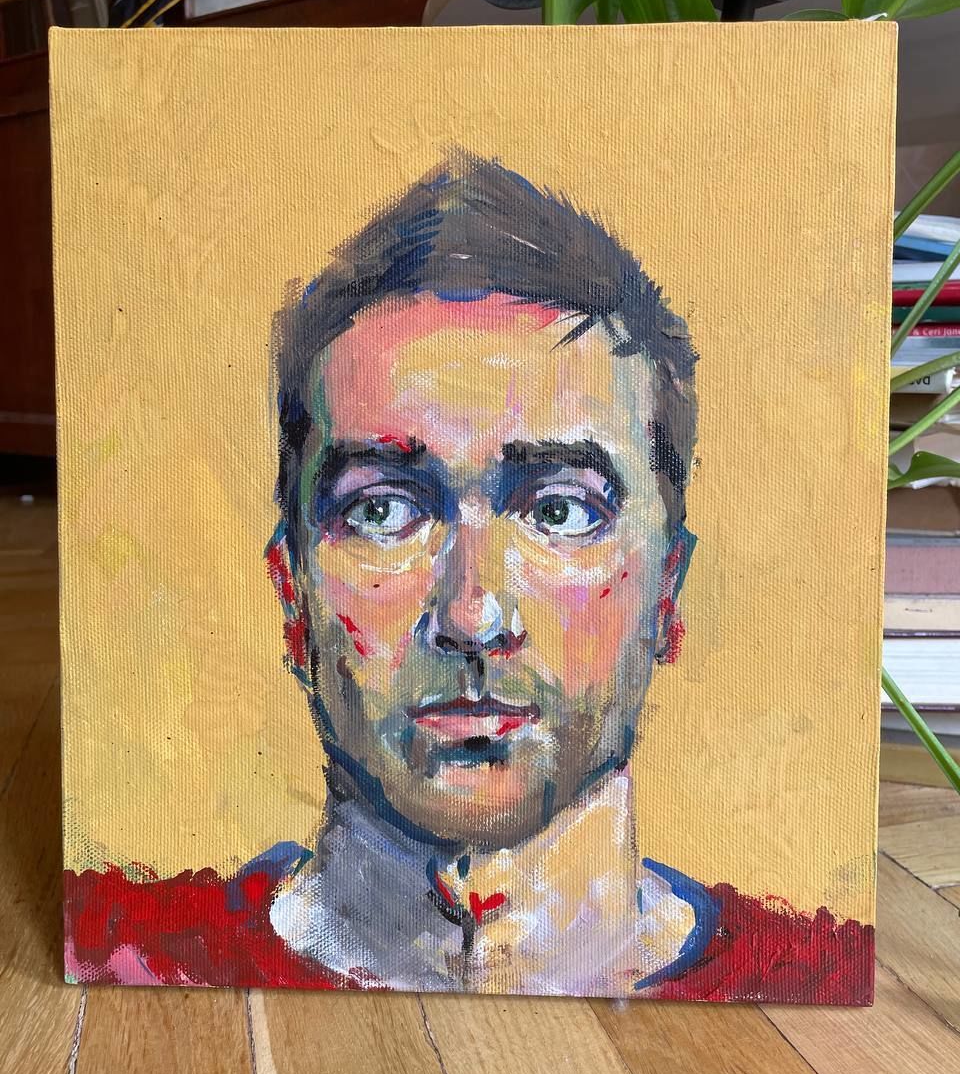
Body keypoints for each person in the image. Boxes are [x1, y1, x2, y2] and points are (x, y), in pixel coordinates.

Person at [64, 152, 872, 1002]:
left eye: (561, 511)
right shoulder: (132, 954)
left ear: (666, 593)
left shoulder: (811, 975)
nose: (473, 613)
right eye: (383, 510)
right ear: (292, 594)